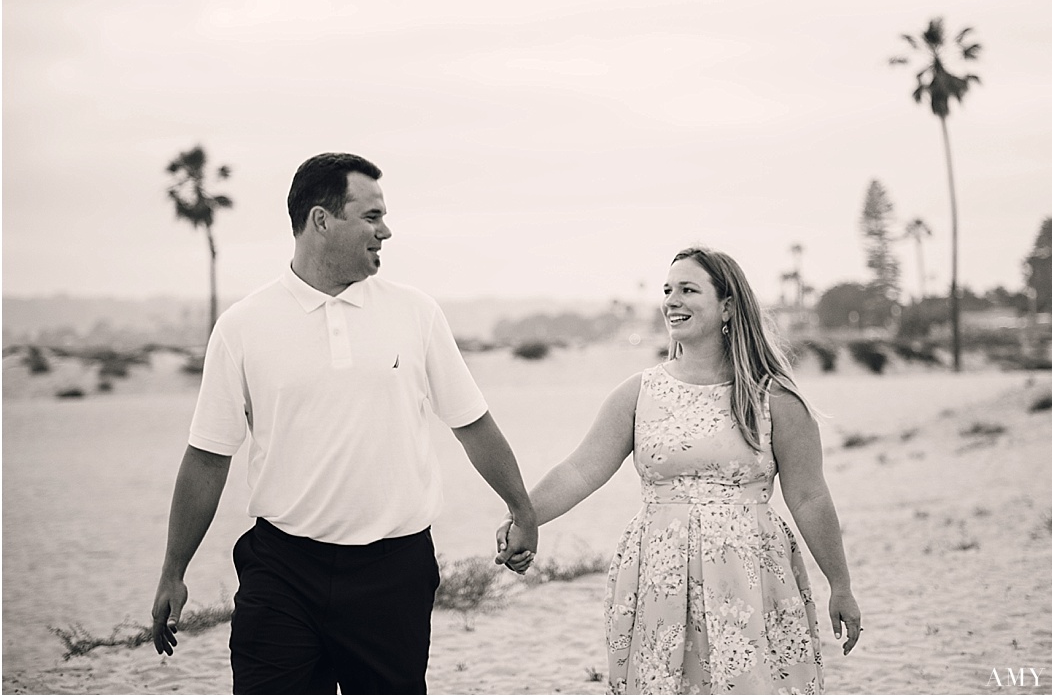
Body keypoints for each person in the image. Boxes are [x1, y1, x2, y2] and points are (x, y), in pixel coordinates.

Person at [150, 152, 538, 694]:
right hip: (283, 568)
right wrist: (174, 570)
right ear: (321, 220)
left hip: (393, 572)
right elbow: (209, 456)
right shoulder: (242, 327)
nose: (387, 230)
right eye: (372, 216)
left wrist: (522, 509)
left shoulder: (415, 312)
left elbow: (472, 423)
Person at [497, 247, 860, 694]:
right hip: (658, 574)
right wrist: (525, 516)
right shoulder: (639, 393)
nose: (672, 300)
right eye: (668, 290)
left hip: (749, 575)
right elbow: (580, 470)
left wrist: (839, 585)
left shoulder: (774, 398)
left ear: (728, 305)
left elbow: (809, 497)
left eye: (688, 289)